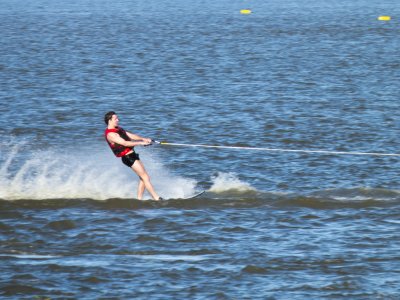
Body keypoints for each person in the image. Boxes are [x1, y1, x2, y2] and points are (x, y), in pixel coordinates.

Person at [104, 111, 162, 200]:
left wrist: (143, 139)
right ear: (109, 120)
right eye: (115, 119)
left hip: (133, 155)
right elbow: (125, 143)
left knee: (143, 178)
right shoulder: (111, 134)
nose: (118, 120)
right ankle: (157, 198)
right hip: (128, 157)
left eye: (117, 118)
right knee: (146, 177)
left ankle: (139, 199)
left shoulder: (118, 129)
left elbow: (129, 135)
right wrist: (141, 143)